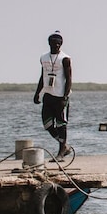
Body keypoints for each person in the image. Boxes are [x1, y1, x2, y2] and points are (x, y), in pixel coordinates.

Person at [32, 31, 73, 160]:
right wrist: (37, 93)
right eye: (53, 43)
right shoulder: (43, 58)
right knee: (47, 124)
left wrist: (65, 95)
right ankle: (65, 145)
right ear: (49, 43)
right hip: (48, 94)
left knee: (61, 124)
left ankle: (61, 152)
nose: (56, 46)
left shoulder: (65, 59)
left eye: (58, 43)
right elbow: (42, 76)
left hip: (60, 96)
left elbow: (69, 78)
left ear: (61, 44)